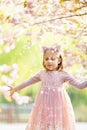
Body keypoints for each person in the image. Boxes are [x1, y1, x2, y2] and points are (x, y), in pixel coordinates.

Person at [9, 45, 87, 130]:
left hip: (58, 106)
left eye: (53, 59)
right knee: (44, 125)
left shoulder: (63, 75)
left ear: (59, 60)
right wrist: (15, 88)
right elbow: (28, 82)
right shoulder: (42, 74)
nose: (49, 61)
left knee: (56, 125)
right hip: (44, 106)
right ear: (43, 60)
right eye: (46, 59)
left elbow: (79, 86)